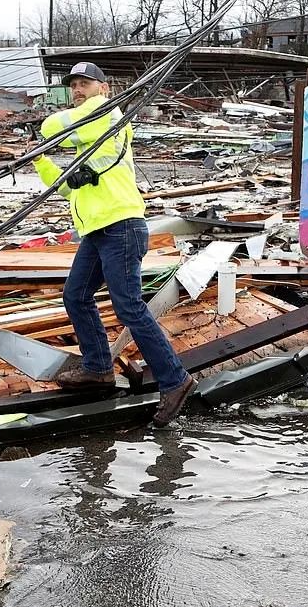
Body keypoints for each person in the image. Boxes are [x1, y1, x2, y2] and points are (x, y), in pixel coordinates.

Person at [32, 62, 196, 427]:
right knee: (75, 295)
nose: (78, 89)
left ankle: (175, 380)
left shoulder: (108, 116)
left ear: (103, 88)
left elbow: (51, 126)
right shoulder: (87, 141)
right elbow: (65, 187)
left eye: (85, 83)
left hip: (121, 227)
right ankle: (98, 369)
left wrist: (46, 134)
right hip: (98, 231)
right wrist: (40, 160)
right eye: (73, 84)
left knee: (129, 307)